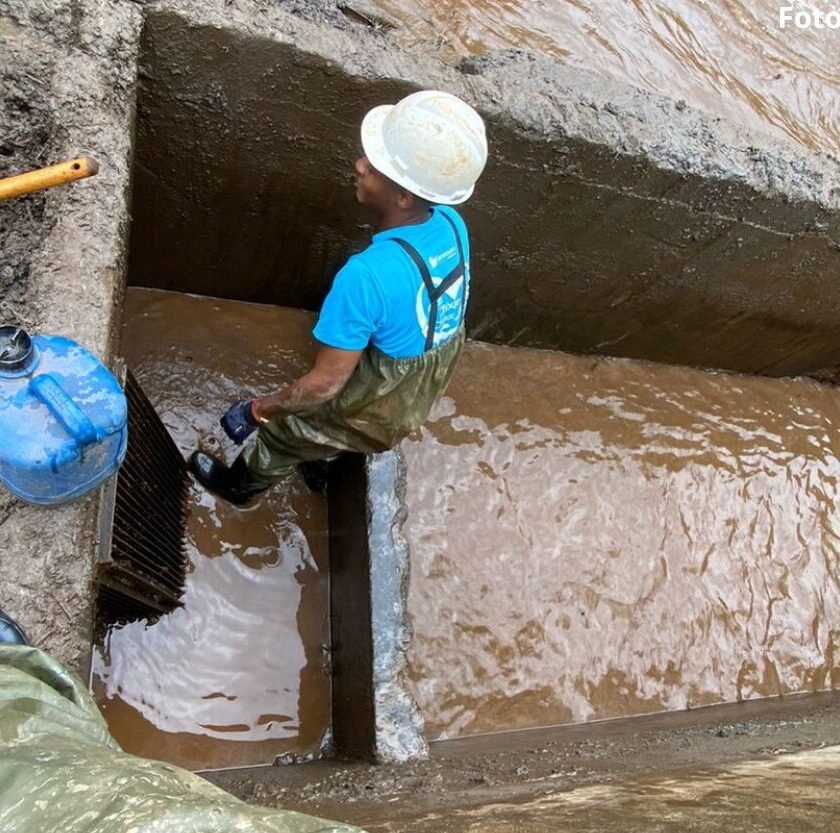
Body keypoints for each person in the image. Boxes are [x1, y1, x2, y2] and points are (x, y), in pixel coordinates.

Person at [189, 89, 488, 505]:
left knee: (287, 429)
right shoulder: (452, 222)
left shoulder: (365, 276)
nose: (359, 165)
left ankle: (241, 490)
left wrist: (261, 408)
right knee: (341, 426)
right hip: (427, 376)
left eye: (374, 165)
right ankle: (321, 456)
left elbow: (324, 385)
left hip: (382, 393)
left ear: (403, 197)